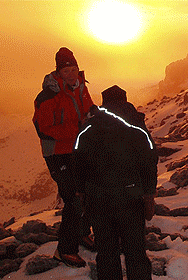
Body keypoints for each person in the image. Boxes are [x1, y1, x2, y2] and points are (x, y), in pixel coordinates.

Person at [73, 85, 158, 280]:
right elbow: (149, 160)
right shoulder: (136, 127)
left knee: (106, 251)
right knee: (135, 251)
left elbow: (78, 161)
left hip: (98, 198)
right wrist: (149, 193)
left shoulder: (88, 128)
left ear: (104, 103)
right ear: (126, 101)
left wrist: (81, 192)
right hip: (131, 197)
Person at [32, 47, 96, 267]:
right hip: (57, 154)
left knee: (89, 190)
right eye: (66, 70)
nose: (71, 73)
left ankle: (81, 233)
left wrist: (95, 116)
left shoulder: (80, 87)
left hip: (77, 149)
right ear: (58, 72)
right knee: (73, 199)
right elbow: (44, 128)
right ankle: (65, 250)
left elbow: (87, 109)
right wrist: (78, 130)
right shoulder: (48, 96)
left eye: (73, 69)